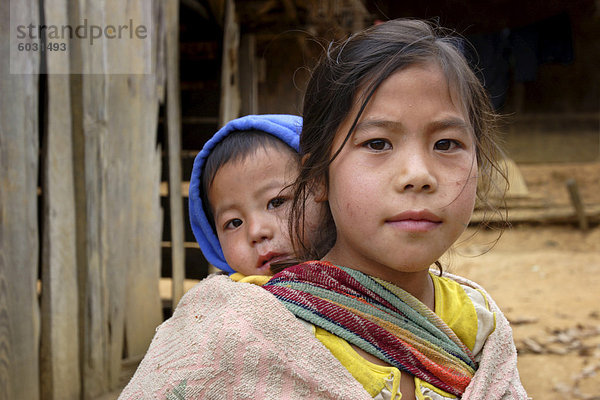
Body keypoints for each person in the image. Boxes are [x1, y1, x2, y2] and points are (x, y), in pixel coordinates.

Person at [120, 20, 527, 400]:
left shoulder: (480, 325)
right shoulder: (235, 334)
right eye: (377, 144)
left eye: (446, 144)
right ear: (316, 178)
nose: (418, 175)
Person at [188, 113, 314, 283]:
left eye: (276, 203)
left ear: (320, 186)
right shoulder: (226, 300)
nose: (256, 231)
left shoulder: (356, 273)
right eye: (234, 223)